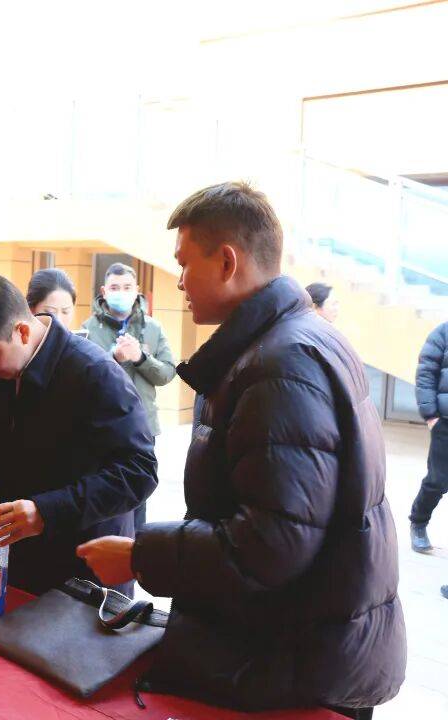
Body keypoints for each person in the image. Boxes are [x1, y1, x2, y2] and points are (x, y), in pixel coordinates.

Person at [77, 182, 405, 717]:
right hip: (308, 642)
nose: (179, 281)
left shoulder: (281, 363)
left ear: (227, 262)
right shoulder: (295, 339)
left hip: (298, 662)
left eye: (185, 264)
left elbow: (274, 543)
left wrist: (140, 555)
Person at [0, 273, 157, 595]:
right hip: (20, 561)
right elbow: (7, 449)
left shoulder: (94, 373)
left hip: (85, 573)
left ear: (21, 331)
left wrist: (46, 512)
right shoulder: (0, 373)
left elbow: (138, 473)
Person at [79, 262, 175, 529]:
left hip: (144, 426)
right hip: (102, 427)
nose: (120, 293)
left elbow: (167, 373)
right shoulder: (88, 329)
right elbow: (81, 377)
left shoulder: (153, 328)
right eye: (114, 287)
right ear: (103, 291)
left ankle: (136, 547)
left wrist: (141, 357)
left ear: (136, 291)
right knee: (107, 496)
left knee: (139, 492)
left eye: (126, 287)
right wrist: (113, 359)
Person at [409, 319, 448, 553]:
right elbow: (425, 373)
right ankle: (418, 522)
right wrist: (430, 414)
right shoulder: (442, 333)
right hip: (445, 422)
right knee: (437, 481)